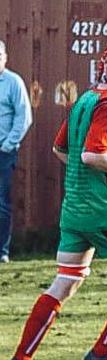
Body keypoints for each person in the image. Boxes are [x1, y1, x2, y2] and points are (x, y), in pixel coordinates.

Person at [3, 48, 107, 360]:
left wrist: (89, 174)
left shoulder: (84, 101)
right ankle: (103, 352)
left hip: (73, 207)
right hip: (103, 209)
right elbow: (91, 154)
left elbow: (62, 150)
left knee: (66, 281)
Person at [0, 39, 33, 263]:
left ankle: (2, 251)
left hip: (3, 151)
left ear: (5, 57)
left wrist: (8, 145)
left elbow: (24, 117)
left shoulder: (13, 82)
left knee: (1, 202)